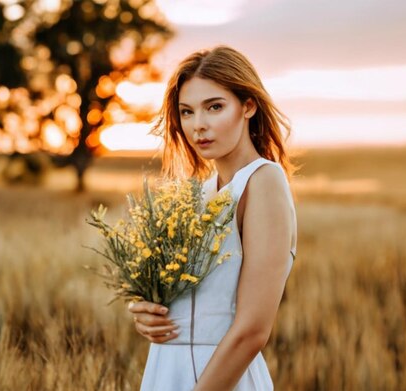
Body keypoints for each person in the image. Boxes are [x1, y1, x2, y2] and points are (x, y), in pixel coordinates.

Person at [128, 45, 298, 391]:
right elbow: (191, 299)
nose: (198, 126)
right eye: (187, 112)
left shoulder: (262, 181)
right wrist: (147, 312)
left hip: (220, 380)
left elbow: (252, 330)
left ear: (248, 106)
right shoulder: (199, 194)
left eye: (215, 107)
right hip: (165, 370)